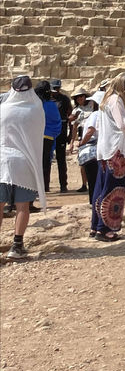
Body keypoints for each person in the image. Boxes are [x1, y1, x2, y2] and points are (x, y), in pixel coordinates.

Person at [0, 76, 46, 260]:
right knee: (22, 207)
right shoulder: (36, 109)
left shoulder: (3, 109)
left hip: (2, 161)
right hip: (24, 163)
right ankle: (17, 246)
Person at [91, 72, 125, 242]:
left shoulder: (104, 101)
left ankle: (95, 226)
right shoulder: (116, 100)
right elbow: (123, 124)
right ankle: (105, 230)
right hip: (115, 151)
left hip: (104, 150)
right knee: (114, 190)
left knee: (101, 188)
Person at [34, 81, 62, 194]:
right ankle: (43, 188)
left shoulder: (32, 104)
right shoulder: (50, 105)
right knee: (45, 164)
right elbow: (57, 122)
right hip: (47, 138)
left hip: (33, 137)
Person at [76, 95, 101, 207]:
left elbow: (90, 131)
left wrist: (82, 143)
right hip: (102, 149)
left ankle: (93, 202)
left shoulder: (95, 114)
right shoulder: (106, 115)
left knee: (92, 179)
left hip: (91, 151)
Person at [67, 88, 94, 192]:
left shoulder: (93, 106)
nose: (79, 99)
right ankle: (84, 184)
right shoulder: (76, 111)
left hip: (94, 136)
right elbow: (74, 127)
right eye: (77, 97)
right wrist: (72, 142)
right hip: (83, 137)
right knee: (82, 162)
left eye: (81, 96)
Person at [49, 79, 72, 193]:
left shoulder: (64, 99)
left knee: (61, 159)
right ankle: (45, 186)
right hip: (48, 132)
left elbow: (70, 116)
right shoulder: (47, 99)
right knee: (47, 160)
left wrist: (70, 134)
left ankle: (63, 185)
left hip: (61, 132)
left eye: (58, 89)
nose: (56, 91)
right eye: (54, 89)